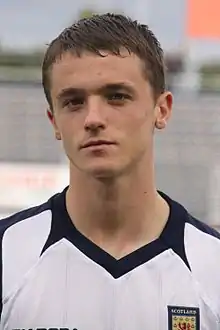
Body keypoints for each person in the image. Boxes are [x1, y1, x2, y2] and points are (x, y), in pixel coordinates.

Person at [0, 13, 220, 330]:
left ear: (162, 109)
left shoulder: (212, 267)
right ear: (54, 122)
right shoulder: (7, 255)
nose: (93, 118)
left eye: (116, 96)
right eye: (74, 101)